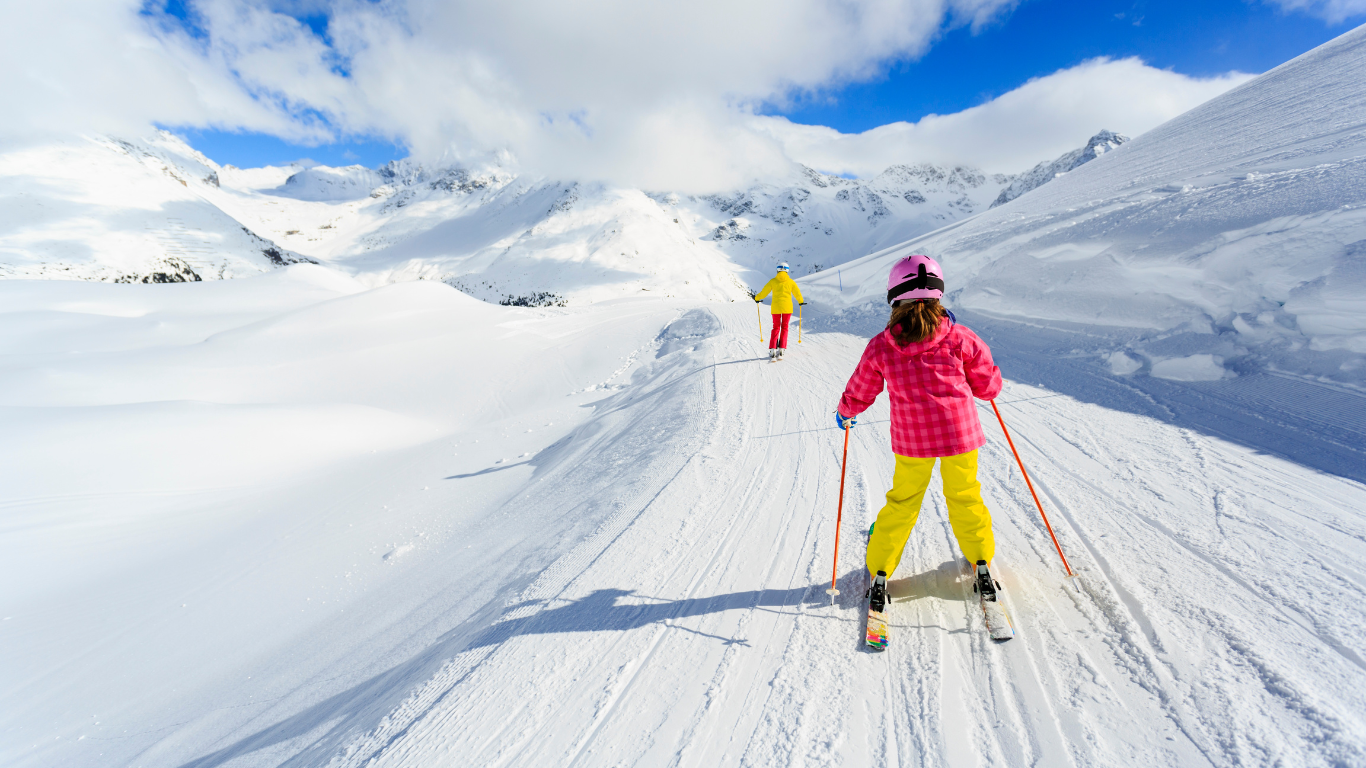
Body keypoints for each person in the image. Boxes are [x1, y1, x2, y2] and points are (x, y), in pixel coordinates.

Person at [834, 254, 1004, 607]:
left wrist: (846, 411)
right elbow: (987, 385)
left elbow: (862, 386)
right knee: (965, 495)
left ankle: (880, 569)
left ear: (894, 297)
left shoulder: (882, 345)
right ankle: (981, 561)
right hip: (960, 437)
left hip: (913, 441)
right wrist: (987, 386)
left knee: (903, 502)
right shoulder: (959, 337)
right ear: (938, 295)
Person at [753, 262, 805, 361]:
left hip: (776, 308)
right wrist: (801, 301)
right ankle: (781, 349)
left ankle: (772, 349)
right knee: (784, 327)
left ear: (778, 270)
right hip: (787, 308)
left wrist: (757, 298)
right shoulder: (791, 282)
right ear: (787, 270)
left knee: (776, 327)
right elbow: (797, 293)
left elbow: (764, 291)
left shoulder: (773, 281)